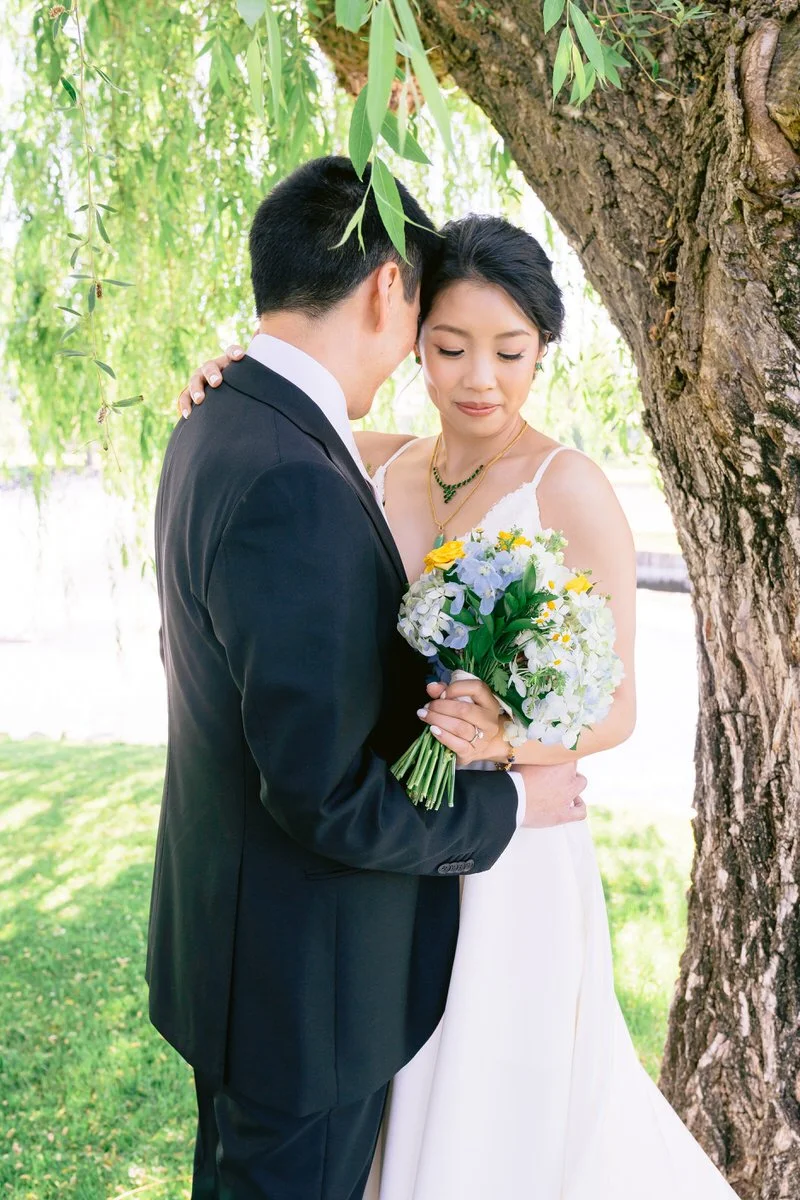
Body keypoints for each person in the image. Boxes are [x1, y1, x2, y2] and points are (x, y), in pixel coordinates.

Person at [184, 206, 742, 1197]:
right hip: (396, 838)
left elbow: (613, 713)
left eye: (508, 351)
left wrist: (503, 745)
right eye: (447, 347)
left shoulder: (568, 486)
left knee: (494, 1111)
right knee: (395, 1107)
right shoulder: (385, 460)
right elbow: (284, 418)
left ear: (543, 353)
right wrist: (220, 375)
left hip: (510, 853)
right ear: (410, 342)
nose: (477, 379)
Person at [149, 156, 588, 1200]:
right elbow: (326, 800)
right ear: (389, 289)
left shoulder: (220, 422)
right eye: (431, 330)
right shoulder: (290, 475)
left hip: (240, 959)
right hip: (302, 993)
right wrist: (508, 805)